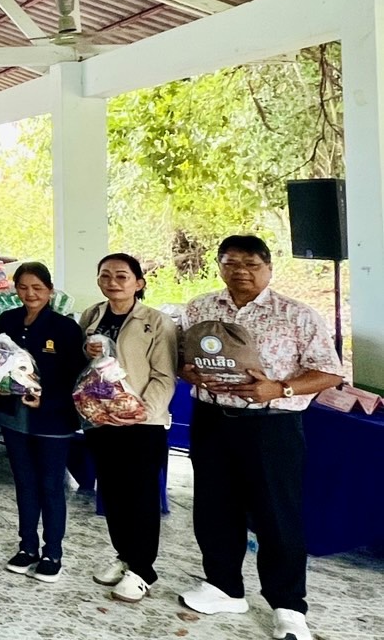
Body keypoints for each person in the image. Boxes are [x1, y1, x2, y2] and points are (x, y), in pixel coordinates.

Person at [175, 236, 342, 640]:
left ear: (268, 268)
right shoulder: (199, 308)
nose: (241, 272)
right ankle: (224, 587)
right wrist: (189, 372)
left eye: (251, 264)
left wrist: (280, 388)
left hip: (271, 425)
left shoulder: (297, 314)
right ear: (219, 266)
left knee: (277, 515)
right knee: (214, 508)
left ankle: (288, 605)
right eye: (231, 263)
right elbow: (182, 358)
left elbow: (330, 372)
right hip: (212, 420)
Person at [80, 253, 177, 603]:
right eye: (105, 276)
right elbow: (87, 364)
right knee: (112, 491)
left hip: (142, 423)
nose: (113, 282)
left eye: (122, 276)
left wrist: (142, 411)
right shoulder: (92, 315)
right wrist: (86, 350)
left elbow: (165, 375)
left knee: (140, 496)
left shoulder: (156, 322)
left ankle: (143, 570)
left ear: (139, 283)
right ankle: (124, 556)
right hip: (102, 418)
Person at [0, 262, 85, 584]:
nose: (30, 294)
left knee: (51, 486)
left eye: (37, 288)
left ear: (50, 291)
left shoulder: (65, 328)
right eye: (23, 287)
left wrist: (49, 399)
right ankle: (27, 546)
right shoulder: (8, 320)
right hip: (14, 416)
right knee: (25, 483)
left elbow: (77, 377)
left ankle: (52, 553)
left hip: (53, 420)